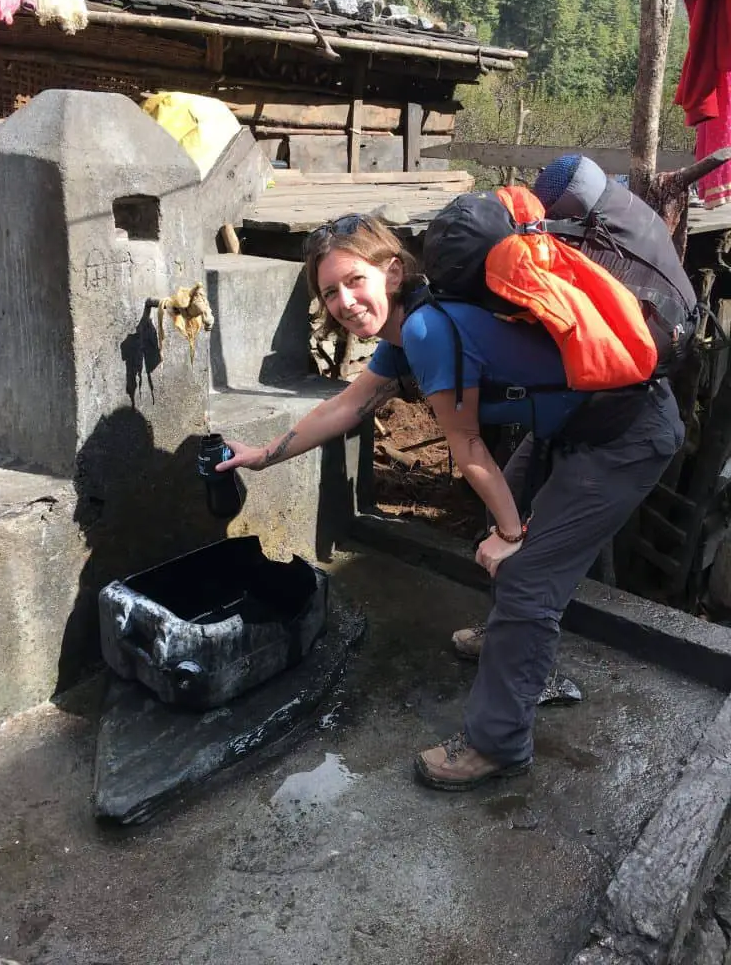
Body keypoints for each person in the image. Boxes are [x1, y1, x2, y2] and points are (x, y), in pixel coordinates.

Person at [214, 210, 685, 792]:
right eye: (330, 292)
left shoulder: (427, 331)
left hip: (626, 434)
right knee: (502, 512)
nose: (344, 302)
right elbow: (347, 407)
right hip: (574, 420)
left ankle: (498, 743)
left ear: (390, 271)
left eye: (353, 281)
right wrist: (261, 454)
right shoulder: (410, 325)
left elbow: (466, 447)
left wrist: (513, 538)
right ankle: (510, 638)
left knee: (530, 578)